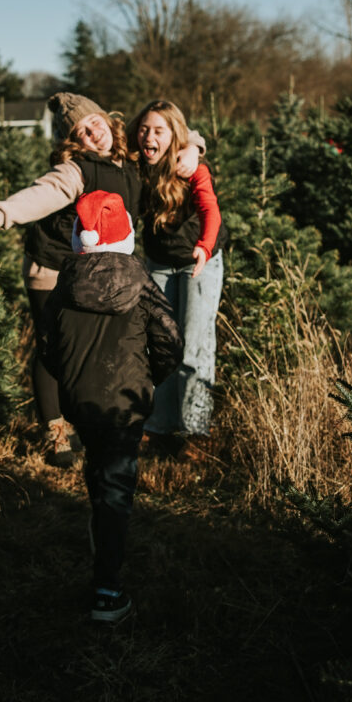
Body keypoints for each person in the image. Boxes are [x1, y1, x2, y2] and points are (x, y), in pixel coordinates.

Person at [0, 92, 201, 465]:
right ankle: (56, 433)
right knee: (54, 350)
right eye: (80, 132)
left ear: (106, 119)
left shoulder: (130, 159)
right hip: (53, 270)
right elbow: (42, 195)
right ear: (73, 142)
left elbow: (171, 133)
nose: (91, 134)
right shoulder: (77, 170)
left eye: (93, 123)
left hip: (99, 274)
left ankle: (87, 419)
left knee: (90, 349)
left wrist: (194, 147)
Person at [42, 190, 183, 622]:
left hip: (80, 403)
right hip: (126, 404)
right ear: (126, 234)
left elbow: (47, 348)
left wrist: (68, 382)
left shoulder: (65, 284)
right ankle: (107, 589)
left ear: (78, 237)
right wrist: (148, 381)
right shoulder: (141, 283)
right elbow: (169, 343)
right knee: (118, 489)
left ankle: (99, 529)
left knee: (101, 473)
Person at [128, 100, 226, 458]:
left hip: (199, 261)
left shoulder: (190, 167)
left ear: (174, 135)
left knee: (196, 346)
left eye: (158, 130)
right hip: (158, 263)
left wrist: (204, 245)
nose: (148, 136)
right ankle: (160, 427)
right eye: (144, 128)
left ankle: (197, 430)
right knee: (162, 344)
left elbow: (209, 207)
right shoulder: (136, 165)